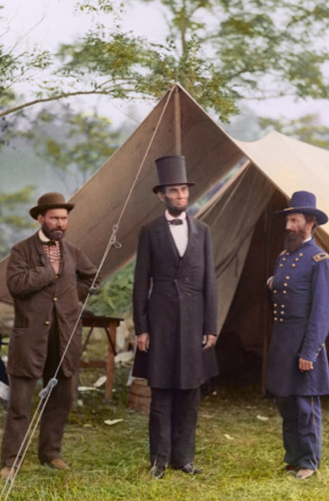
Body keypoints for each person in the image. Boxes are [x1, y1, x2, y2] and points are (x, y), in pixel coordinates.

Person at [0, 192, 99, 480]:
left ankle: (50, 453)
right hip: (30, 339)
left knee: (62, 398)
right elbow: (15, 285)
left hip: (64, 337)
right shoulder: (22, 250)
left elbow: (92, 277)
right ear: (40, 219)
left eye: (64, 218)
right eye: (54, 218)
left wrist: (71, 297)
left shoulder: (73, 251)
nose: (60, 223)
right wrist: (49, 272)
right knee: (20, 403)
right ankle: (11, 461)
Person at [132, 155, 219, 480]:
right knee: (162, 392)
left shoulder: (203, 231)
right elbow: (141, 283)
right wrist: (142, 328)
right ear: (162, 195)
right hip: (161, 322)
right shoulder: (149, 232)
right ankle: (159, 460)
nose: (181, 195)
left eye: (184, 190)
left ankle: (184, 458)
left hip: (195, 323)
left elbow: (210, 282)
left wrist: (210, 326)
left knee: (190, 393)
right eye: (174, 190)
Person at [266, 191, 329, 480]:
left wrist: (309, 351)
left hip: (304, 342)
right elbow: (280, 296)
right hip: (283, 342)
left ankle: (309, 461)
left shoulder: (320, 260)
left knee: (305, 405)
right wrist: (271, 283)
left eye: (294, 220)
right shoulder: (283, 258)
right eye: (288, 221)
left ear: (310, 223)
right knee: (285, 402)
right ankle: (293, 458)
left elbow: (323, 312)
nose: (289, 226)